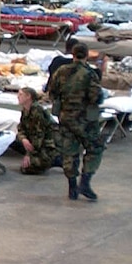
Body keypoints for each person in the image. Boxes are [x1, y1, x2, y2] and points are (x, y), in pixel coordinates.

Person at [47, 42, 104, 201]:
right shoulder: (90, 74)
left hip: (65, 118)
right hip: (85, 120)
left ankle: (72, 186)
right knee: (95, 148)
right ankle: (85, 182)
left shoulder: (61, 72)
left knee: (69, 152)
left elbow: (52, 92)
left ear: (72, 54)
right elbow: (96, 97)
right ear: (86, 55)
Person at [14, 86, 58, 175]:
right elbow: (21, 128)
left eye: (20, 94)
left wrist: (29, 154)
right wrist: (23, 139)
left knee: (27, 169)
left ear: (28, 96)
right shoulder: (25, 110)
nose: (18, 96)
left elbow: (38, 135)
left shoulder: (37, 110)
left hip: (45, 144)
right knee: (13, 141)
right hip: (35, 143)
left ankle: (55, 159)